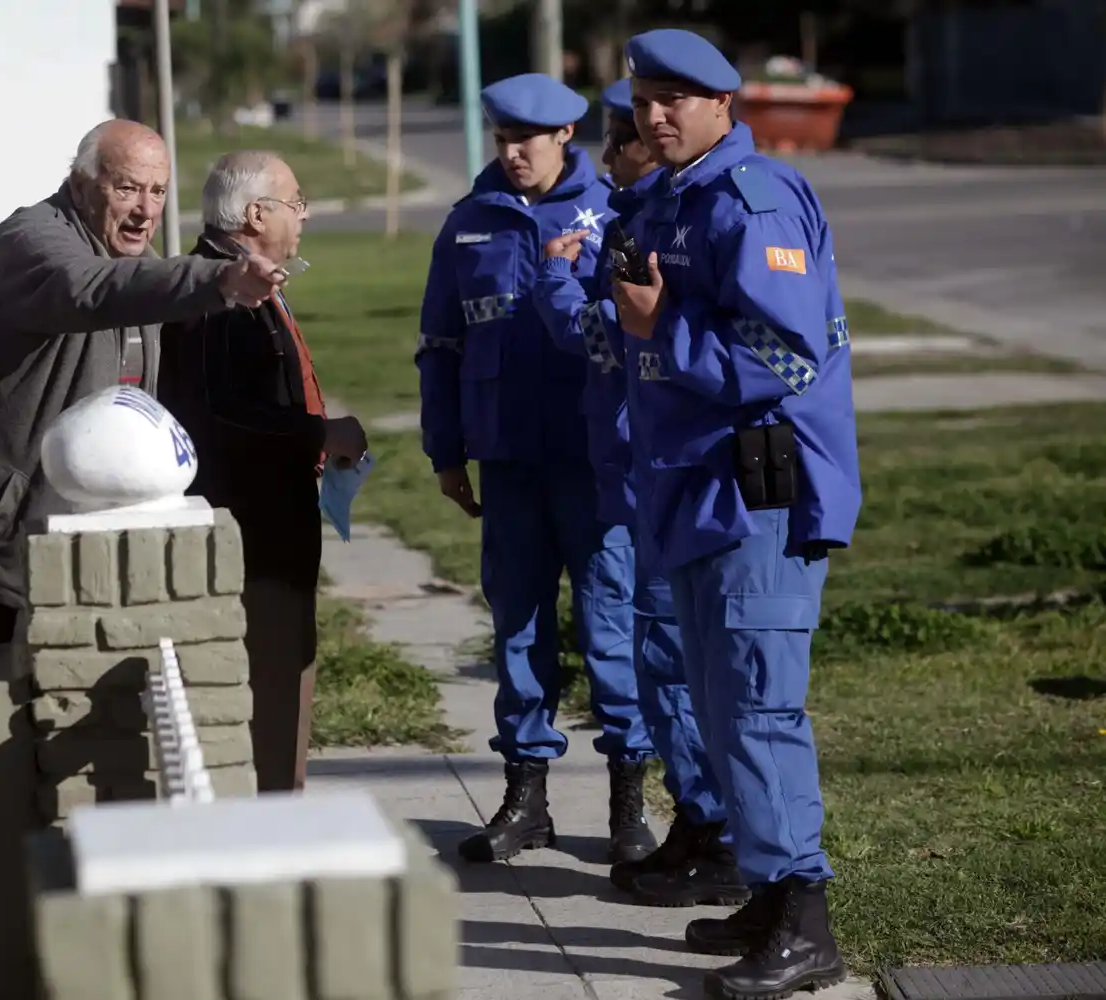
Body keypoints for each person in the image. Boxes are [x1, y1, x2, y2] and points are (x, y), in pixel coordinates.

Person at [605, 28, 863, 999]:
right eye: (643, 100)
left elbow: (787, 356)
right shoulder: (672, 195)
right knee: (719, 706)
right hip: (697, 491)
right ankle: (766, 890)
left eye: (676, 98)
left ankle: (806, 917)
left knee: (757, 703)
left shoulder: (754, 200)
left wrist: (657, 331)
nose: (655, 116)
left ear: (723, 105)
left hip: (761, 495)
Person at [0, 119, 287, 651]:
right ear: (78, 183)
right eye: (127, 188)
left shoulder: (136, 266)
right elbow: (86, 290)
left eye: (158, 191)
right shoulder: (31, 242)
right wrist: (219, 278)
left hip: (42, 527)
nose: (146, 209)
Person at [415, 72, 658, 866]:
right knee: (516, 627)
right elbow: (441, 348)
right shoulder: (469, 224)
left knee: (609, 625)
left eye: (530, 139)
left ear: (565, 139)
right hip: (510, 460)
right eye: (502, 139)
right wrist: (447, 452)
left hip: (595, 462)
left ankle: (629, 803)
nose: (514, 153)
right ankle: (526, 801)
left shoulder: (615, 213)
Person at [534, 77, 749, 910]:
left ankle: (717, 831)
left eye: (619, 138)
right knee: (658, 661)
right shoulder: (642, 218)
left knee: (674, 659)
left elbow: (614, 340)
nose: (620, 150)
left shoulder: (657, 223)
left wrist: (560, 286)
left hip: (663, 473)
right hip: (635, 475)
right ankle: (699, 822)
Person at [157, 151, 368, 793]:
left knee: (287, 678)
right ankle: (272, 816)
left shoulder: (247, 280)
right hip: (249, 528)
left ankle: (285, 798)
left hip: (278, 520)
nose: (303, 216)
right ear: (255, 214)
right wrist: (318, 433)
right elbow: (215, 412)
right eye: (295, 202)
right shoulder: (218, 290)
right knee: (268, 685)